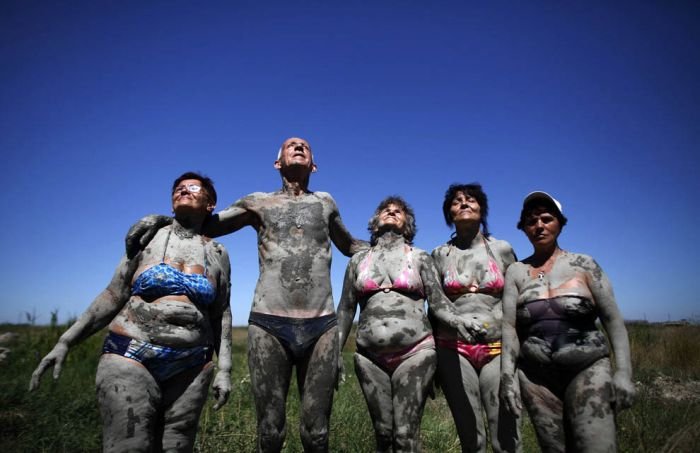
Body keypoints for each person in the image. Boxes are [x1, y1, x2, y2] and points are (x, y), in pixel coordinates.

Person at [126, 138, 366, 453]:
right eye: (289, 144)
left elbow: (349, 245)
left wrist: (391, 242)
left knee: (317, 434)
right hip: (269, 325)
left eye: (304, 145)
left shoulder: (325, 202)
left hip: (321, 325)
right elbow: (206, 225)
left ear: (314, 165)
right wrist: (160, 220)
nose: (297, 145)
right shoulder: (257, 202)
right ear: (277, 163)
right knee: (270, 433)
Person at [29, 172, 232, 453]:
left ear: (210, 203)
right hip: (132, 353)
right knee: (129, 445)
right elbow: (113, 295)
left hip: (193, 365)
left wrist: (225, 369)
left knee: (178, 446)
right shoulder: (147, 238)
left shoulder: (218, 252)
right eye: (178, 189)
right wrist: (65, 341)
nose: (183, 191)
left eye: (193, 188)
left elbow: (221, 312)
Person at [337, 196, 484, 453]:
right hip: (369, 357)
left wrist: (458, 319)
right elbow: (346, 310)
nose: (392, 212)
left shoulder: (420, 258)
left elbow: (438, 304)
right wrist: (335, 352)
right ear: (374, 223)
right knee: (383, 433)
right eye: (386, 209)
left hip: (415, 352)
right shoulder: (358, 262)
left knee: (406, 435)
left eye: (399, 211)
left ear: (408, 226)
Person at [500, 191, 635, 453]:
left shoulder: (584, 264)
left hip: (587, 369)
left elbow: (613, 321)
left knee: (596, 446)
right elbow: (509, 328)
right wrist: (507, 377)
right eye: (531, 221)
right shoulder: (516, 272)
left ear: (560, 223)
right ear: (524, 229)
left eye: (547, 219)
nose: (539, 226)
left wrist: (623, 374)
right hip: (536, 379)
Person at [430, 183, 520, 453]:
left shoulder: (502, 249)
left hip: (497, 349)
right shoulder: (440, 254)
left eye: (471, 199)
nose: (464, 203)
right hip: (453, 350)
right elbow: (434, 305)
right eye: (456, 201)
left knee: (506, 435)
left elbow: (516, 299)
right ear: (449, 213)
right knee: (471, 438)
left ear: (482, 209)